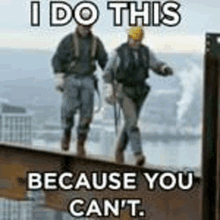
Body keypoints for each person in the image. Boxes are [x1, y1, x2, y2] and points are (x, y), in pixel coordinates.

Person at [103, 26, 173, 166]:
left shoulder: (145, 52)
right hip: (124, 90)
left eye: (138, 41)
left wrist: (164, 68)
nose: (136, 43)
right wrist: (109, 89)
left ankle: (119, 150)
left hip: (140, 91)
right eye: (134, 40)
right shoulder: (118, 53)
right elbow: (108, 71)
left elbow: (155, 64)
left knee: (130, 123)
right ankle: (138, 154)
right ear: (129, 38)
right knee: (132, 122)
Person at [51, 21, 108, 156]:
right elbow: (57, 58)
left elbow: (104, 61)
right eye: (83, 25)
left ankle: (81, 143)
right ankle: (66, 134)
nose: (85, 28)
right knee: (69, 109)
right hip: (71, 78)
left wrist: (112, 78)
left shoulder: (96, 42)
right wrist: (59, 75)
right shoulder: (68, 40)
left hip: (88, 79)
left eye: (88, 25)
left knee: (87, 114)